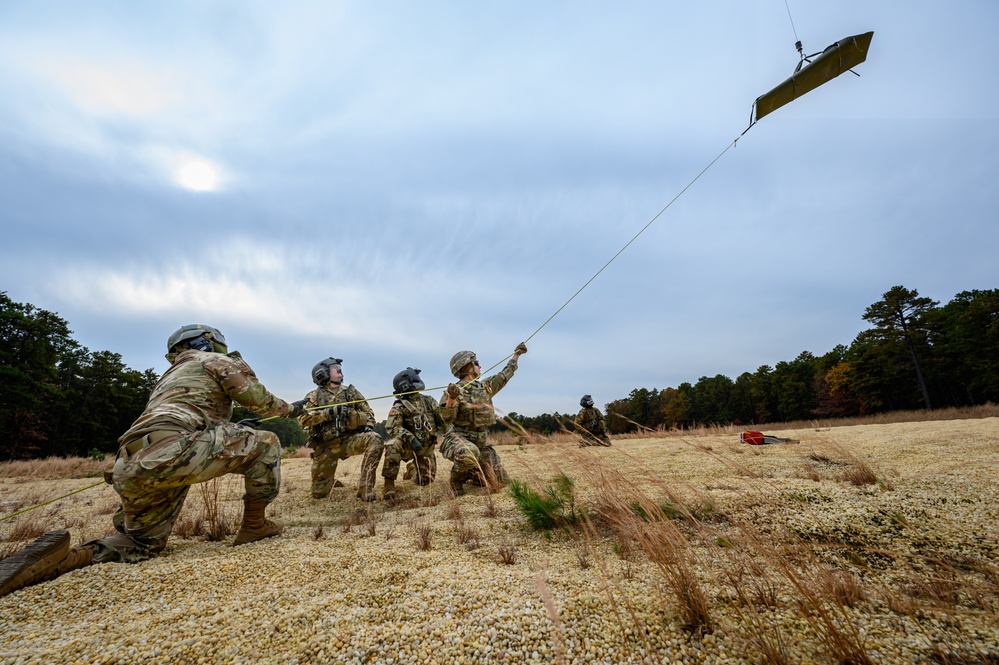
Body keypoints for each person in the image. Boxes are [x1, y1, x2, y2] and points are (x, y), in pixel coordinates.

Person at [0, 324, 308, 598]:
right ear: (207, 342)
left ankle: (62, 560)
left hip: (131, 461)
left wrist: (230, 428)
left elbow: (182, 414)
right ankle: (254, 526)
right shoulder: (213, 360)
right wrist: (292, 409)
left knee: (140, 542)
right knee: (268, 442)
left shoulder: (168, 377)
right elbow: (260, 400)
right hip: (175, 450)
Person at [439, 342, 527, 495]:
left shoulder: (485, 386)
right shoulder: (454, 391)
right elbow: (447, 419)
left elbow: (505, 374)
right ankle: (456, 480)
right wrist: (452, 399)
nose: (480, 366)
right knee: (469, 452)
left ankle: (472, 473)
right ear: (468, 367)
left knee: (500, 479)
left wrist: (517, 354)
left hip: (481, 441)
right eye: (477, 363)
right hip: (459, 440)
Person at [299, 357, 385, 502]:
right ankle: (329, 479)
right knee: (319, 493)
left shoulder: (351, 393)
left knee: (375, 439)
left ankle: (365, 488)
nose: (339, 368)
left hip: (349, 441)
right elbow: (302, 420)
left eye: (339, 366)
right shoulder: (314, 396)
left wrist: (367, 426)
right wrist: (328, 413)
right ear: (323, 373)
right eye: (335, 367)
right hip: (326, 446)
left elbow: (369, 413)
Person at [382, 367, 445, 499]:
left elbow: (442, 421)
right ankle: (389, 484)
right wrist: (410, 438)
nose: (419, 381)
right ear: (405, 385)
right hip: (408, 446)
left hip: (425, 448)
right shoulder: (400, 406)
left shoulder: (429, 401)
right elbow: (392, 428)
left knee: (426, 480)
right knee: (392, 445)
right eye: (415, 379)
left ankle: (412, 470)